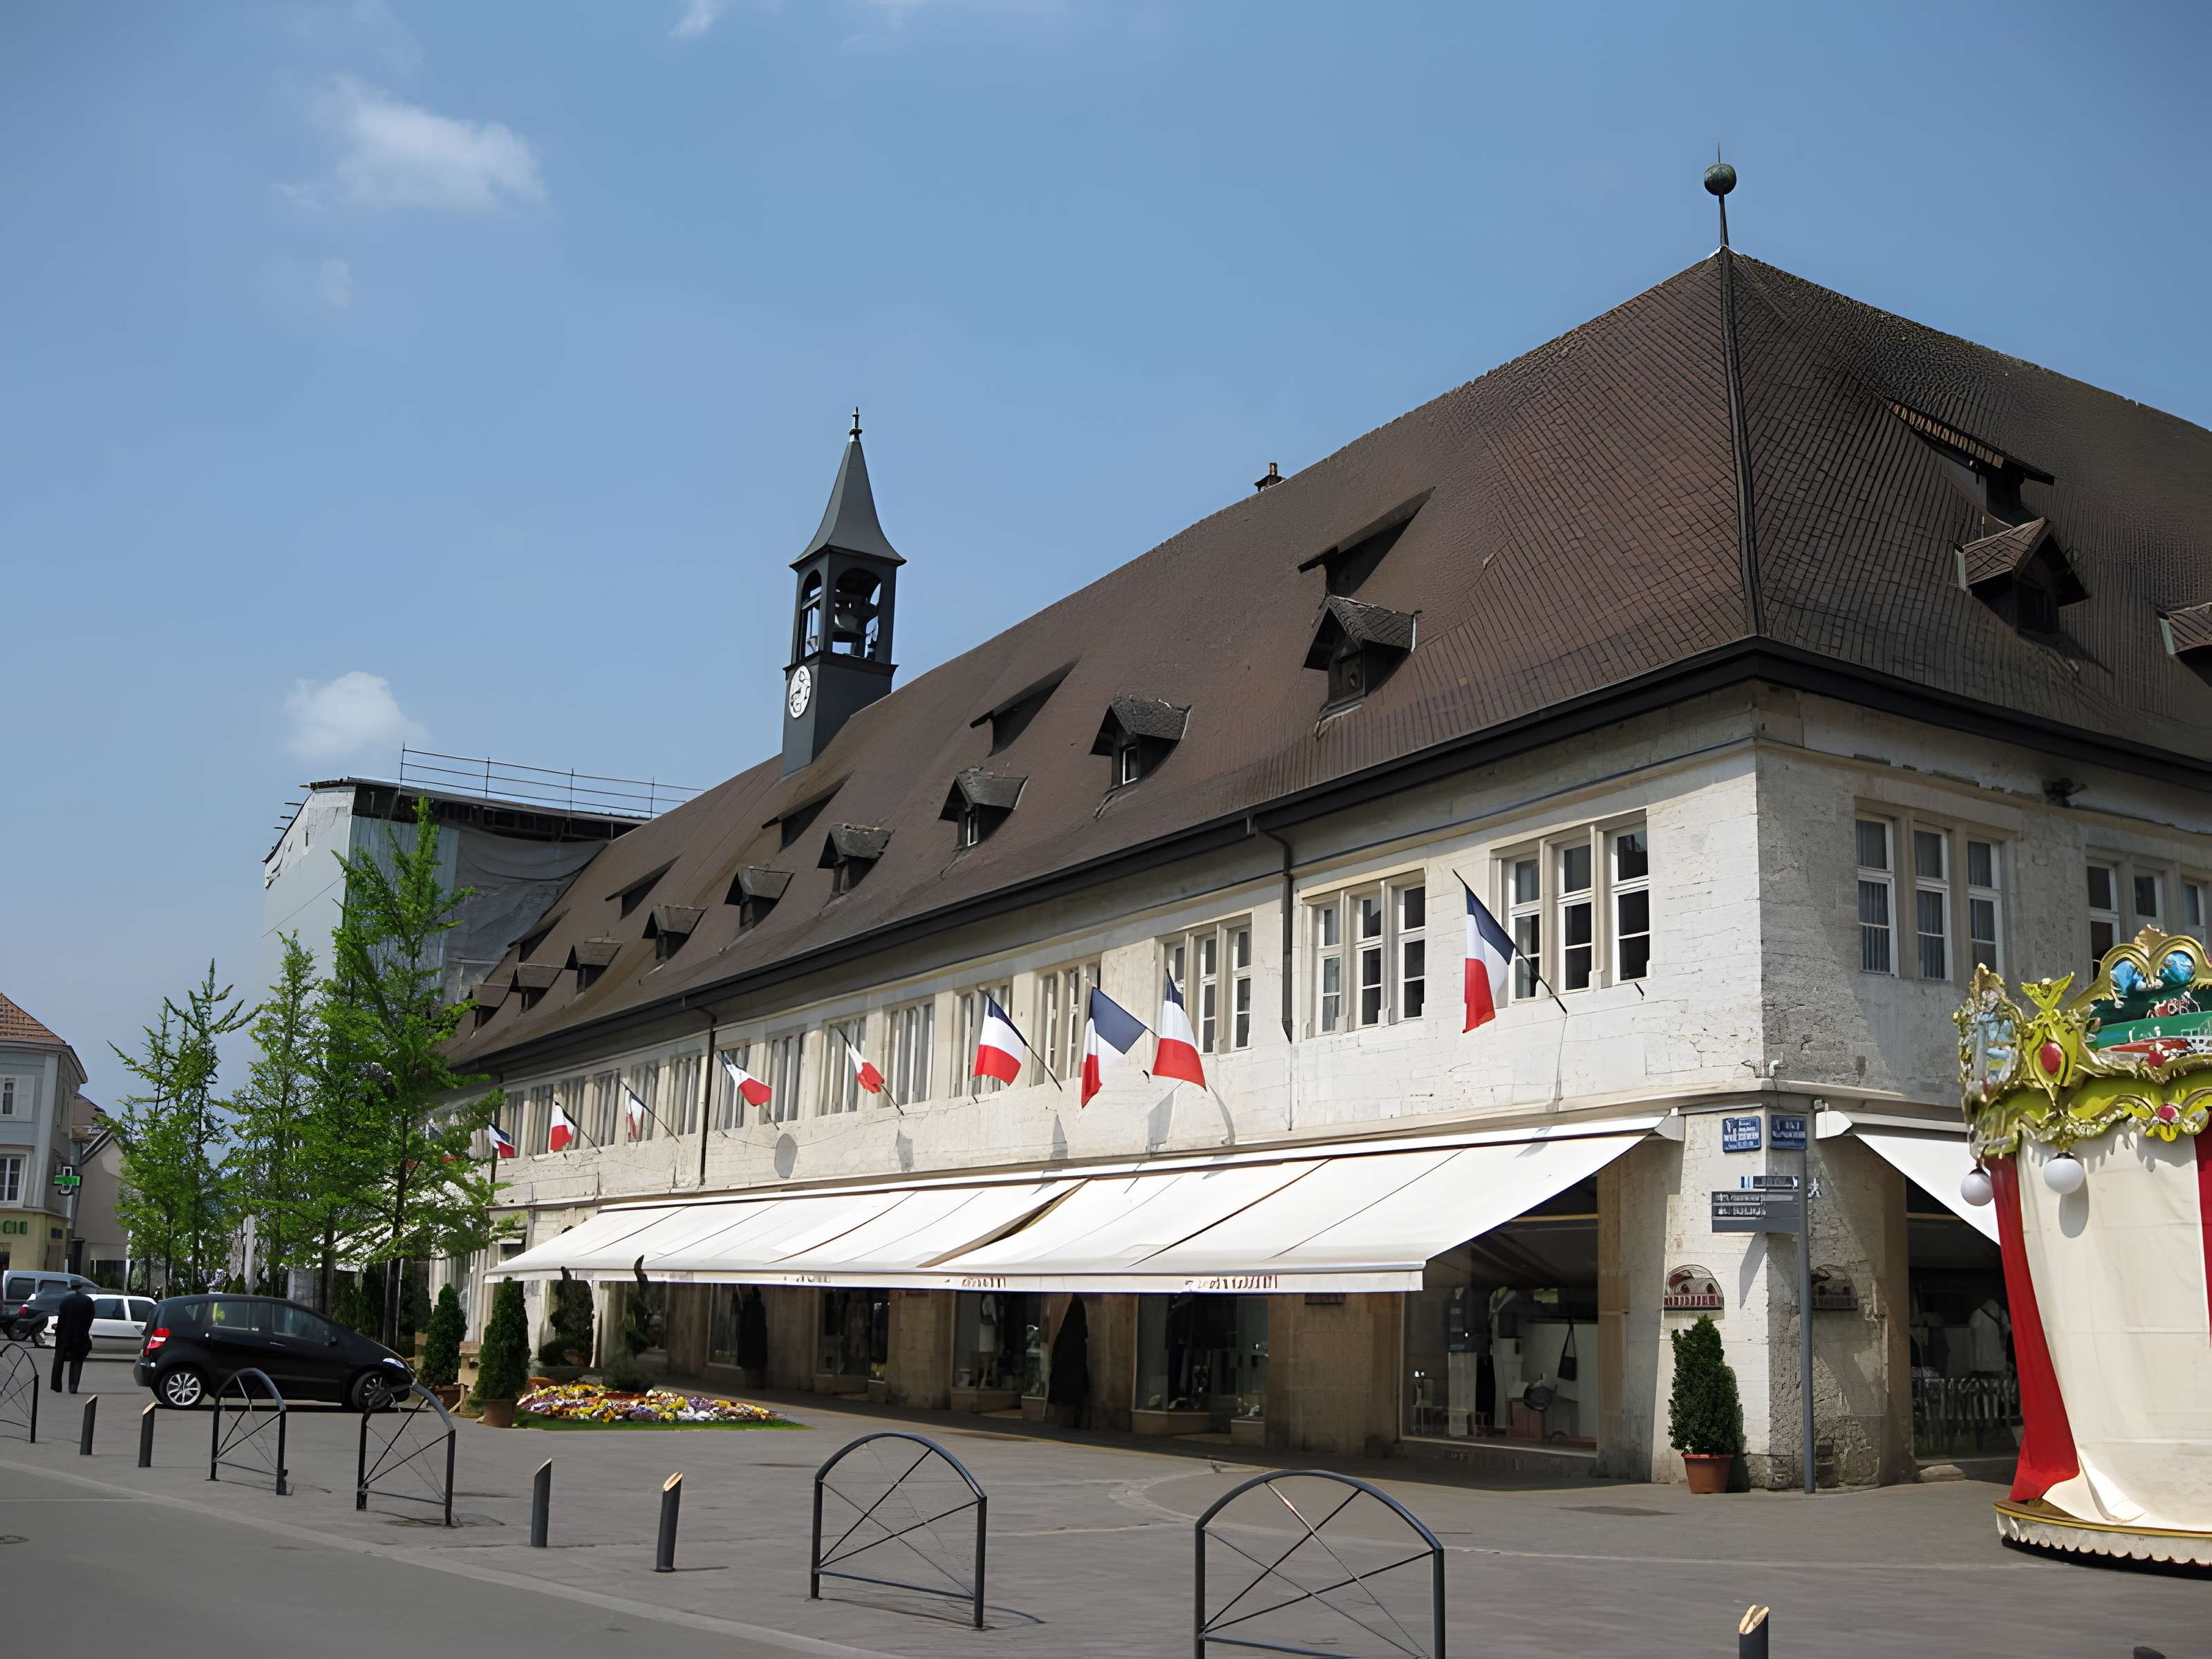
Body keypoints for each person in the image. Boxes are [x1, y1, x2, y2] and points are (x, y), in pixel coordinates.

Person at [50, 1286, 95, 1394]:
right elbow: (91, 1317)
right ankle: (73, 1386)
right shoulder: (87, 1301)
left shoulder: (66, 1300)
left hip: (65, 1335)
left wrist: (59, 1332)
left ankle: (56, 1385)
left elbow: (61, 1318)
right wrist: (85, 1331)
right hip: (81, 1335)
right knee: (78, 1361)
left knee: (58, 1360)